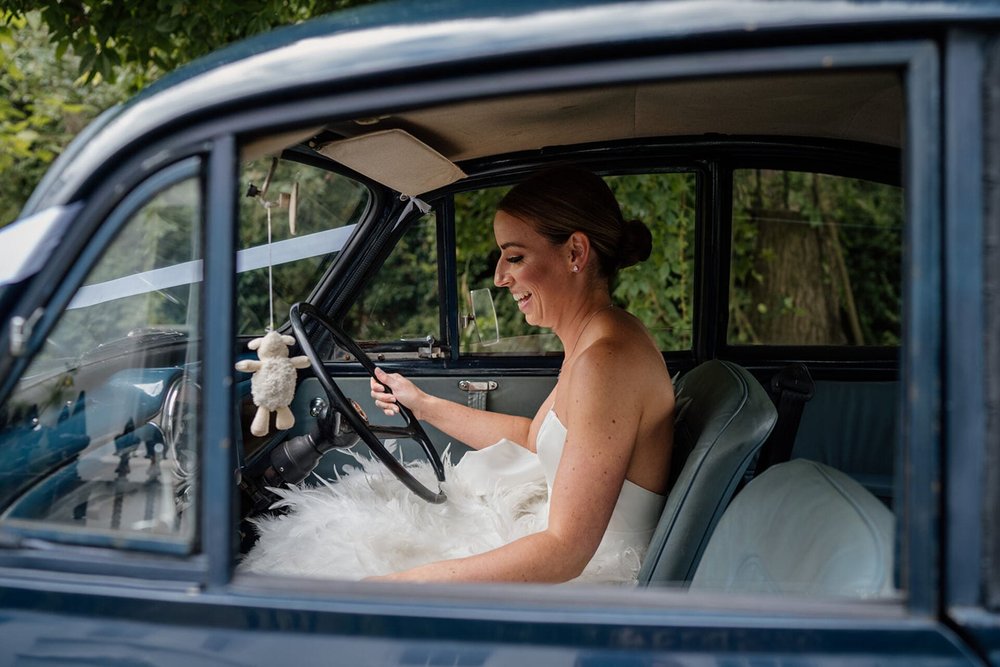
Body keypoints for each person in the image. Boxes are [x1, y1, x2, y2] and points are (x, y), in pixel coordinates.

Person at [364, 165, 676, 583]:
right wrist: (421, 404)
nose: (498, 277)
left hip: (596, 578)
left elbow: (566, 551)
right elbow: (534, 438)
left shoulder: (607, 360)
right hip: (569, 551)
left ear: (575, 253)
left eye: (514, 256)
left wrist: (407, 584)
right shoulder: (598, 338)